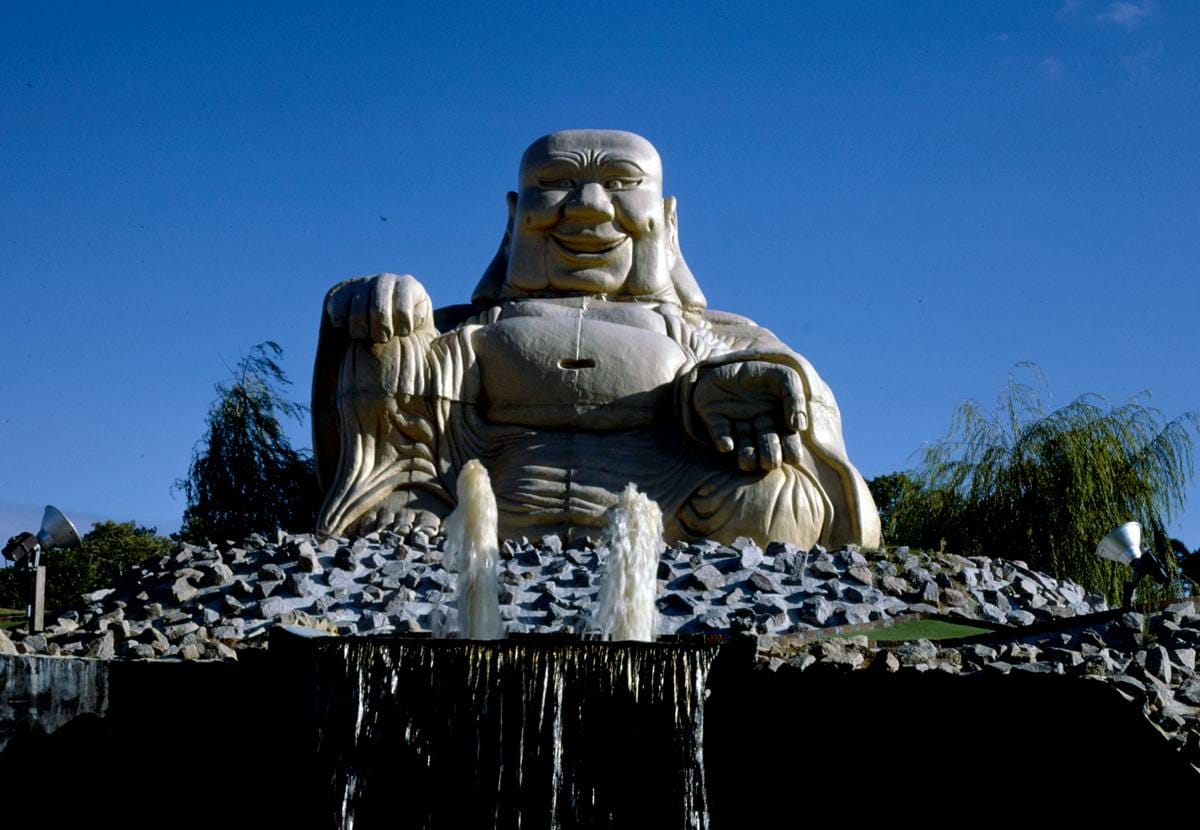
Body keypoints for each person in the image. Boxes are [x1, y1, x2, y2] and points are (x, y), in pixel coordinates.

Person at [312, 130, 880, 549]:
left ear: (666, 219)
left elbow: (798, 401)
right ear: (514, 217)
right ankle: (408, 497)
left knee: (779, 497)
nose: (588, 208)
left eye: (621, 183)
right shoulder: (471, 325)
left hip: (668, 500)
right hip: (482, 488)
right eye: (556, 185)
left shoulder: (708, 332)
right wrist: (378, 300)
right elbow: (396, 379)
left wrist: (723, 393)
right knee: (384, 336)